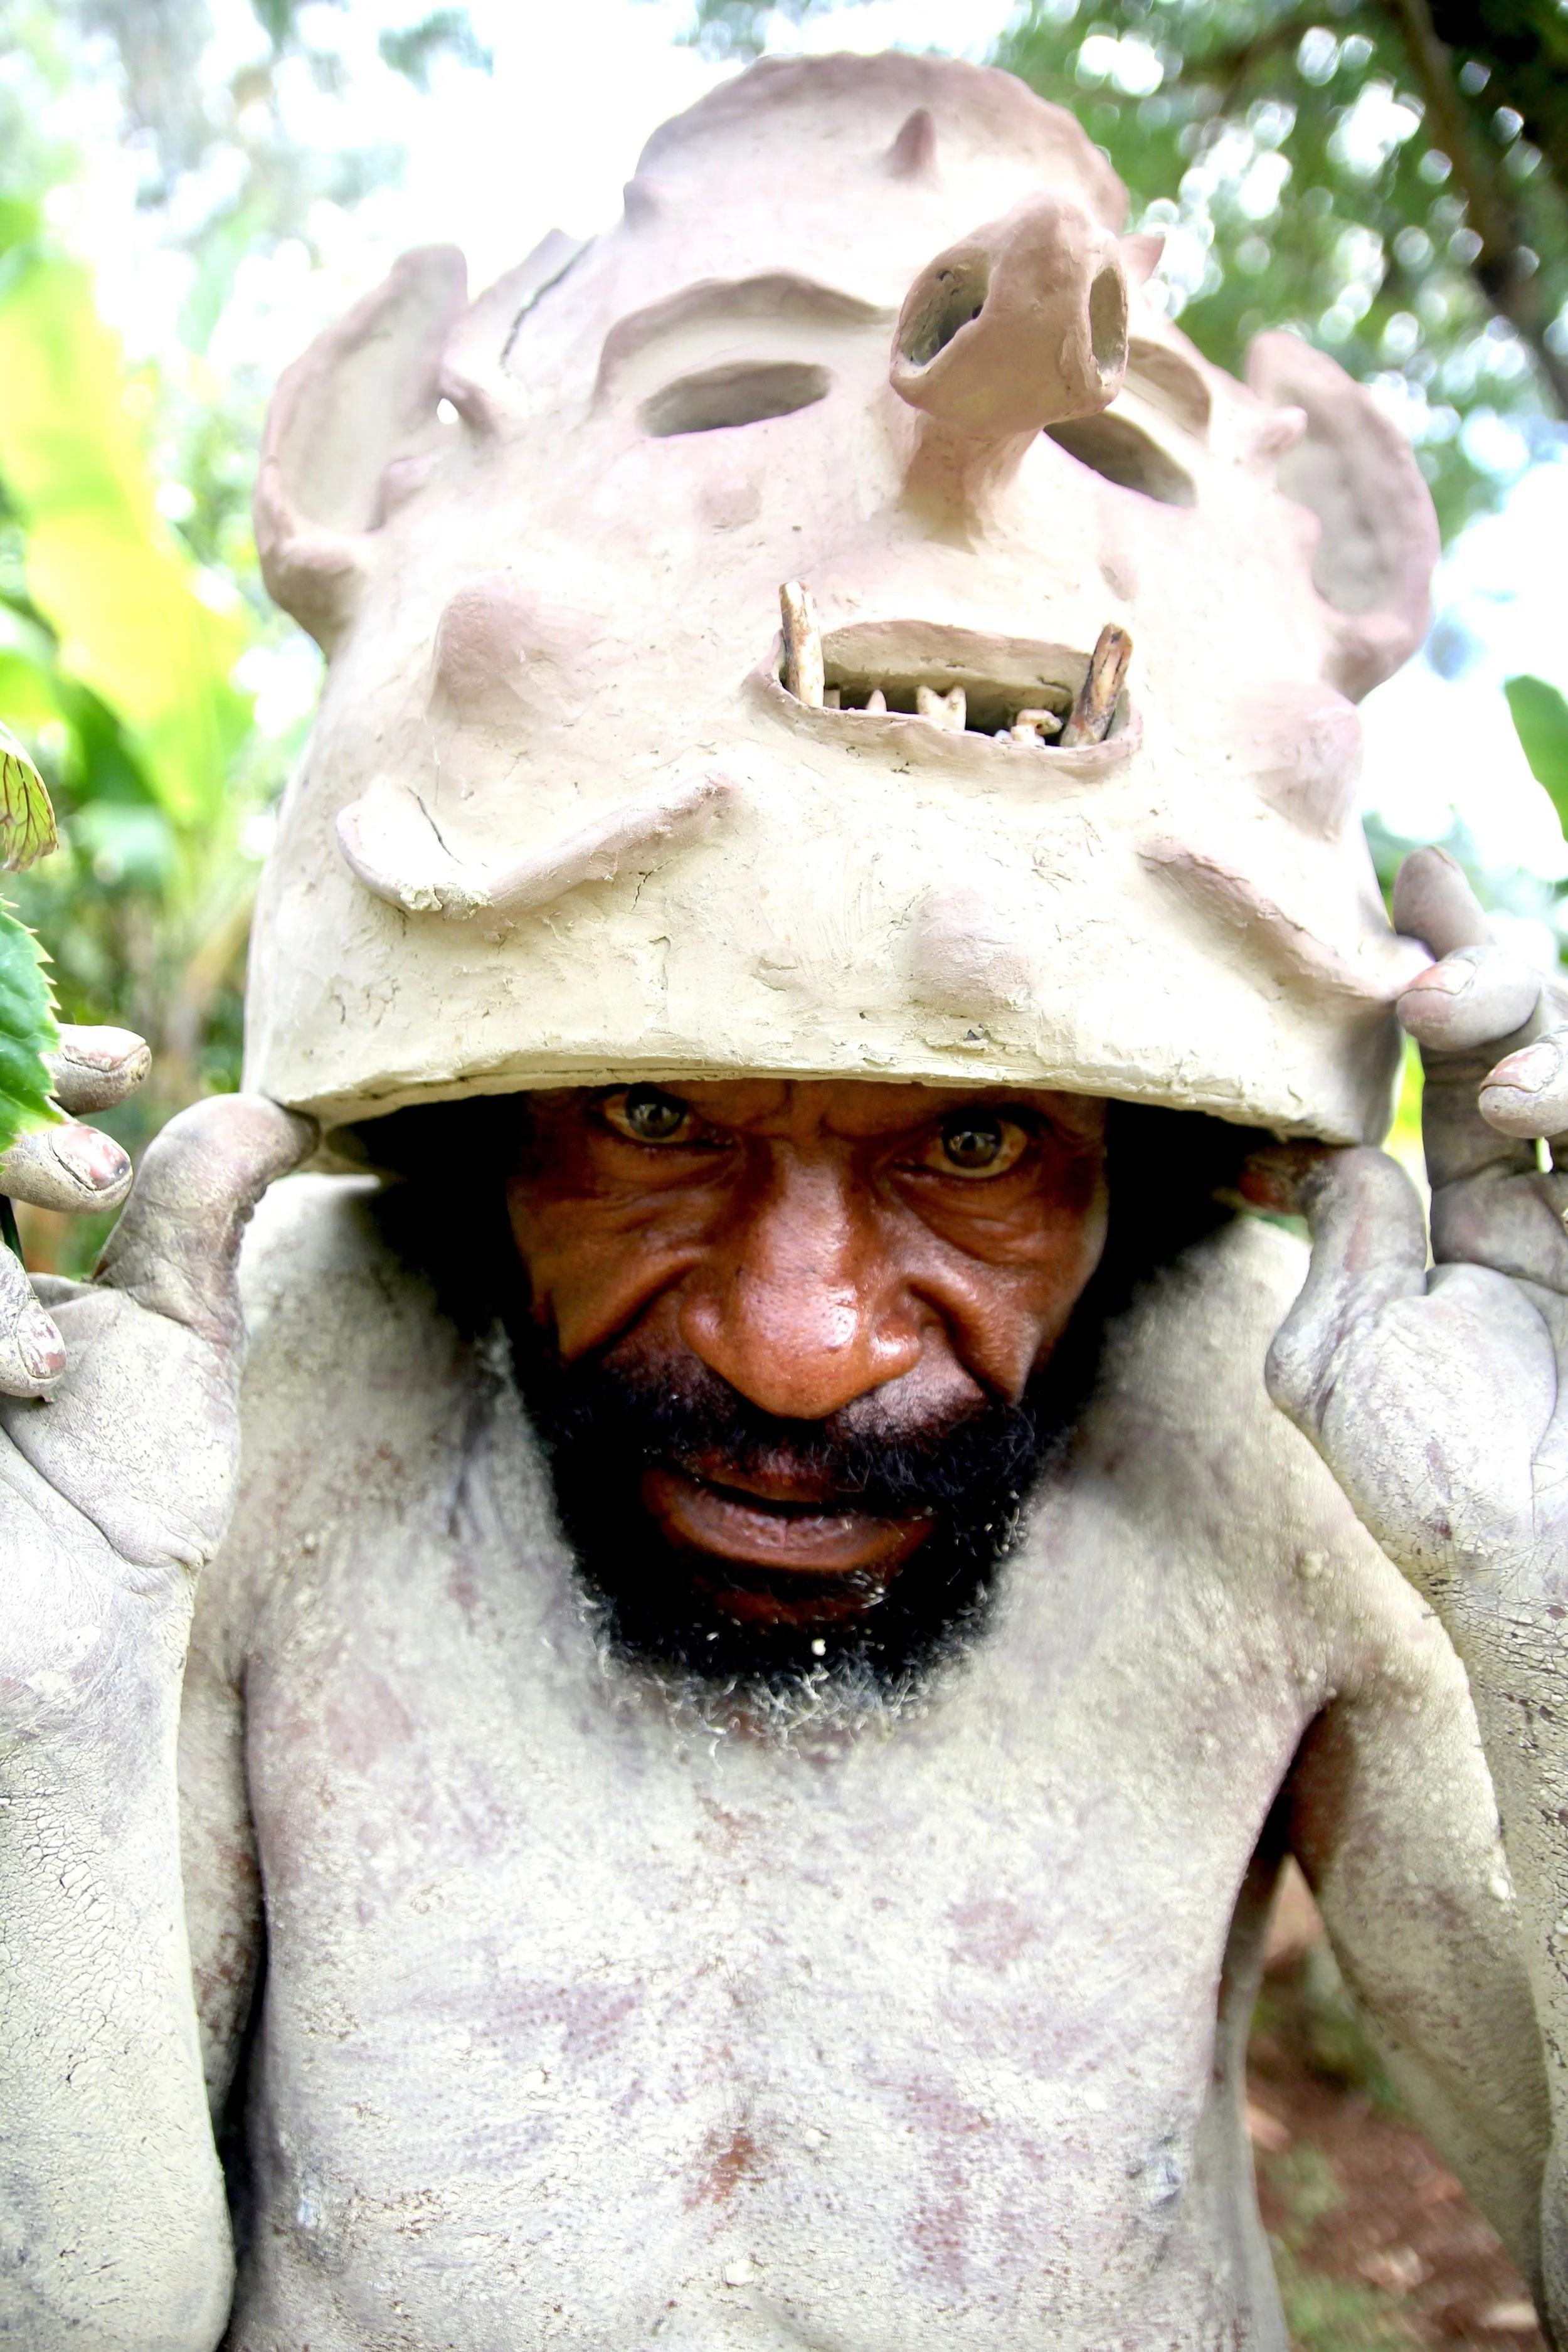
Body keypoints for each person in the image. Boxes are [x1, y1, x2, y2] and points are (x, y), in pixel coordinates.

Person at [4, 50, 1567, 2352]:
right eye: (650, 1112)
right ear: (480, 1125)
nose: (799, 1343)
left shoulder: (1285, 1448)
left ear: (1138, 1160)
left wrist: (1545, 1607)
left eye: (967, 1147)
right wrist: (32, 1721)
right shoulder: (252, 1424)